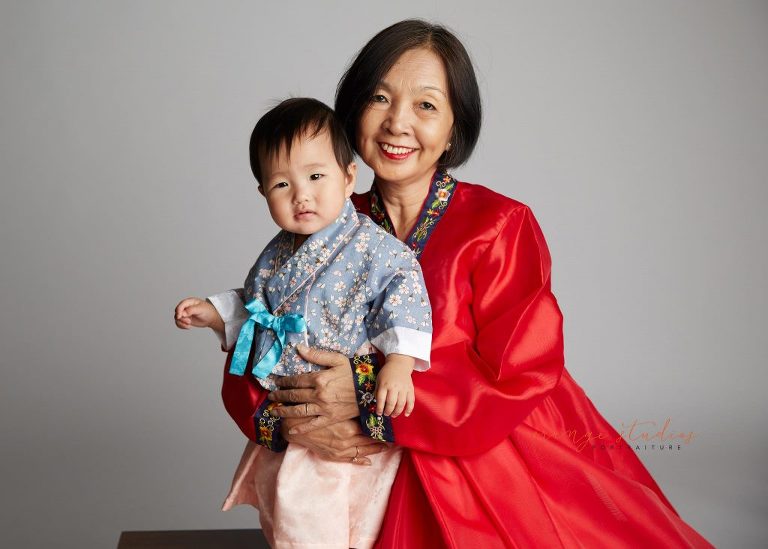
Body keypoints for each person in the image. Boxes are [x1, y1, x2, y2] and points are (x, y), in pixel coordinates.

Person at [205, 19, 714, 549]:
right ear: (353, 113)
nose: (397, 123)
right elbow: (258, 333)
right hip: (338, 468)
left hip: (474, 456)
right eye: (380, 98)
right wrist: (294, 423)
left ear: (454, 129)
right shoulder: (315, 221)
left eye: (426, 105)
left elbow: (518, 373)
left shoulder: (498, 225)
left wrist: (365, 393)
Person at [174, 98, 432, 549]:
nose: (301, 195)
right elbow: (259, 307)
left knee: (329, 518)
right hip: (289, 406)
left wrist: (399, 362)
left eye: (316, 177)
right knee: (284, 511)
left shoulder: (375, 248)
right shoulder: (277, 252)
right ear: (263, 192)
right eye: (281, 184)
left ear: (348, 177)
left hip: (341, 412)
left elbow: (404, 298)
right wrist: (216, 312)